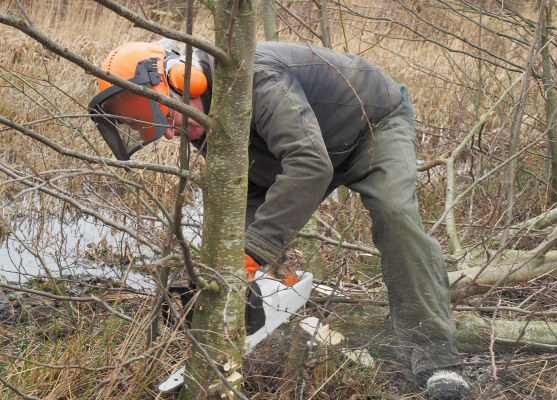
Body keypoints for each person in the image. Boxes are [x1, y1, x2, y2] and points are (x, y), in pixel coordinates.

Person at [89, 39, 470, 399]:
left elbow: (308, 165)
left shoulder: (256, 78)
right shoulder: (199, 118)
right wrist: (228, 272)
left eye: (167, 116)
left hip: (369, 124)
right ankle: (247, 323)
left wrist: (253, 252)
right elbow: (247, 192)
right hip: (286, 152)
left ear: (183, 79)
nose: (171, 133)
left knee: (395, 214)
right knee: (233, 250)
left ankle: (437, 360)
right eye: (159, 125)